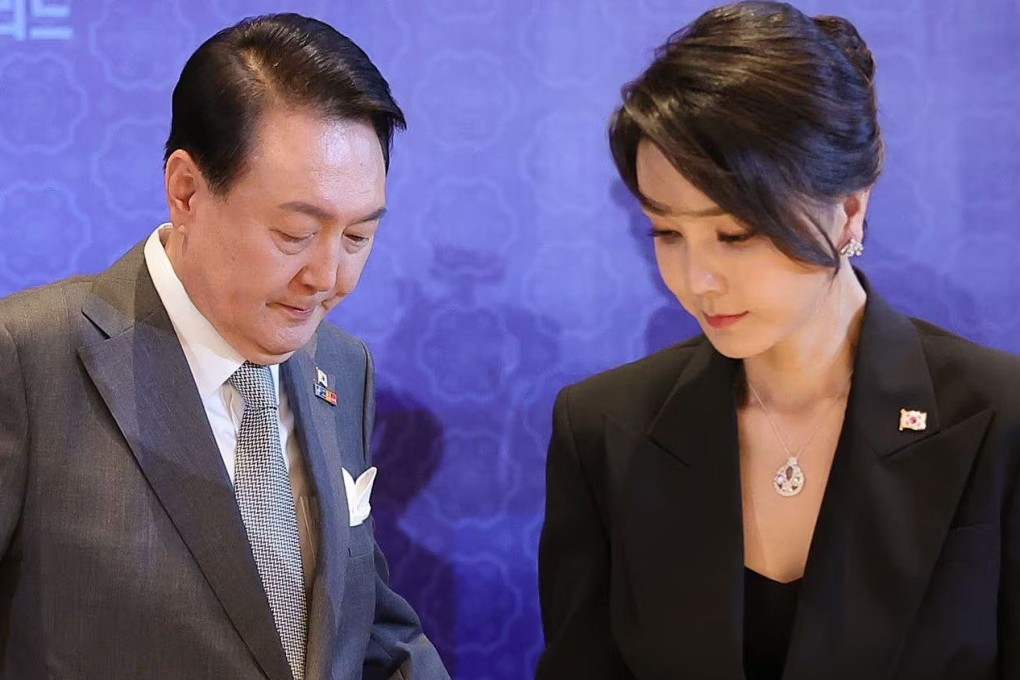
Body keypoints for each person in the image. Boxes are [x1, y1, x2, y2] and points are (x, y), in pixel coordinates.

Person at [536, 2, 1020, 678]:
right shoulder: (603, 428)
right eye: (667, 233)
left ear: (850, 210)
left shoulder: (999, 415)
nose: (697, 280)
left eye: (736, 234)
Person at [0, 14, 449, 680]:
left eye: (358, 237)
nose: (330, 278)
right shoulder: (26, 358)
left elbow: (364, 627)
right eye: (296, 234)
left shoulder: (340, 365)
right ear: (186, 190)